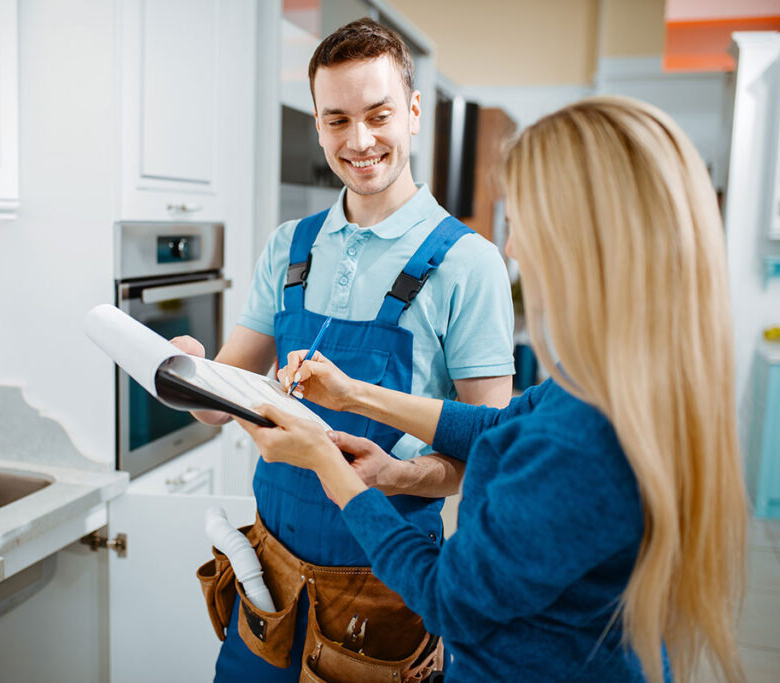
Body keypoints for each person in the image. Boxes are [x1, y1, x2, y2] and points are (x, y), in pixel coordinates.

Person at [239, 96, 748, 683]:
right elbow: (497, 426)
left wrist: (327, 462)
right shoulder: (616, 386)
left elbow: (448, 597)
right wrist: (354, 395)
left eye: (524, 223)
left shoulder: (578, 443)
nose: (513, 248)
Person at [175, 17, 514, 682]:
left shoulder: (469, 265)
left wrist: (397, 475)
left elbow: (493, 456)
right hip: (265, 580)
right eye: (336, 120)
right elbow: (222, 403)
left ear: (414, 113)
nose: (358, 141)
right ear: (318, 123)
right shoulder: (289, 246)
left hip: (383, 590)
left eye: (378, 114)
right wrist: (187, 374)